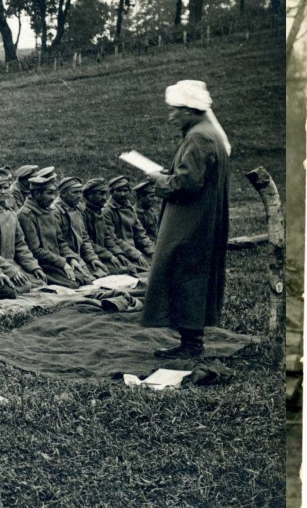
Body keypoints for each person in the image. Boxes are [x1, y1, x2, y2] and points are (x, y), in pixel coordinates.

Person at [143, 80, 231, 358]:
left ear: (190, 110)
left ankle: (191, 345)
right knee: (190, 275)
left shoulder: (198, 137)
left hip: (190, 221)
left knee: (184, 274)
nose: (170, 116)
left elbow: (187, 184)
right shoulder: (208, 132)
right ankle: (190, 341)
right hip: (201, 219)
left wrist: (159, 179)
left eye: (175, 110)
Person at [18, 175, 92, 289]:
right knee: (74, 284)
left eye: (53, 193)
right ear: (37, 194)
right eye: (49, 193)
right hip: (41, 264)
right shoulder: (26, 215)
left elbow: (61, 242)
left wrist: (71, 258)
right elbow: (35, 250)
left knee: (86, 279)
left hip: (55, 262)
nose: (53, 198)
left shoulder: (49, 212)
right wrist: (62, 263)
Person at [0, 169, 47, 289]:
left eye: (6, 188)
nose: (3, 191)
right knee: (24, 288)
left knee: (40, 283)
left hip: (13, 265)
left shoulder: (11, 214)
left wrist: (33, 266)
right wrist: (11, 271)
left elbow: (20, 245)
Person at [53, 176, 108, 280]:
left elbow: (84, 237)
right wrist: (75, 259)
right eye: (75, 192)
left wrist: (92, 258)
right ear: (63, 193)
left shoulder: (77, 208)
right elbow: (59, 243)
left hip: (79, 257)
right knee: (84, 280)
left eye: (80, 192)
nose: (79, 196)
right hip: (66, 259)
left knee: (102, 271)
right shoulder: (55, 212)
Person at [81, 178, 135, 275]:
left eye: (105, 194)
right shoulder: (83, 213)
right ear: (90, 195)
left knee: (128, 268)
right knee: (120, 271)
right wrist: (109, 255)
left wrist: (118, 253)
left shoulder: (98, 210)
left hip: (101, 254)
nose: (105, 198)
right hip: (89, 256)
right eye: (101, 194)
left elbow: (107, 237)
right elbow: (86, 241)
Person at [104, 175, 156, 260]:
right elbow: (112, 239)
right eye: (118, 190)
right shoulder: (107, 211)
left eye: (125, 190)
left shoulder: (130, 209)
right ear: (112, 192)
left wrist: (152, 251)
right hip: (119, 253)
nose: (123, 194)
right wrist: (135, 254)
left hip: (134, 252)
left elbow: (140, 234)